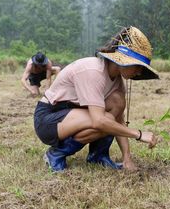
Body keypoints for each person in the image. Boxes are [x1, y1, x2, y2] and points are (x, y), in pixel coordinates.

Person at [34, 26, 159, 172]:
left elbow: (119, 119)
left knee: (117, 103)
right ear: (124, 60)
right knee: (104, 120)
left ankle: (98, 156)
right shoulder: (93, 71)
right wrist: (138, 134)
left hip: (73, 115)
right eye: (138, 66)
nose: (139, 72)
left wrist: (127, 157)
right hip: (48, 119)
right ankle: (56, 154)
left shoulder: (117, 81)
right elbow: (99, 121)